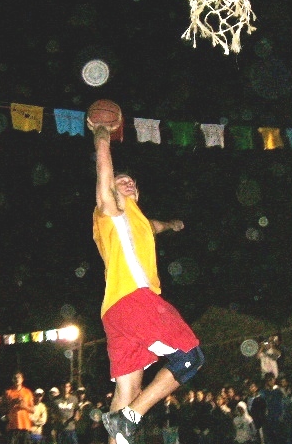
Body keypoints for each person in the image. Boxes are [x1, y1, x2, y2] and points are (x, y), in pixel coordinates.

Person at [89, 121, 205, 444]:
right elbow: (104, 181)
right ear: (113, 188)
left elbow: (154, 226)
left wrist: (172, 224)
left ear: (137, 192)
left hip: (115, 314)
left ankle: (121, 422)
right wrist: (102, 140)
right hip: (134, 299)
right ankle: (129, 419)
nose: (125, 183)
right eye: (120, 181)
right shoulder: (110, 211)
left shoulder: (139, 221)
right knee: (189, 357)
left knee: (128, 390)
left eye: (130, 182)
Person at [3, 370, 36, 444]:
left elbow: (33, 410)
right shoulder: (8, 392)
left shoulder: (28, 392)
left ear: (22, 379)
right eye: (15, 378)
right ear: (12, 379)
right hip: (13, 426)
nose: (17, 379)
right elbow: (3, 408)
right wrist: (12, 403)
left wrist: (24, 406)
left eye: (19, 377)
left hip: (25, 426)